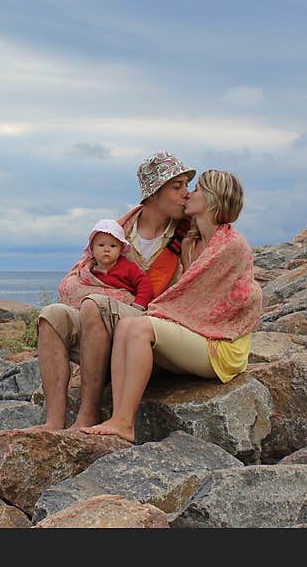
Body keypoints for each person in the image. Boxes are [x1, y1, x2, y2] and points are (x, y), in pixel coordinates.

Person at [82, 169, 263, 442]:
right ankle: (117, 417)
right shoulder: (191, 244)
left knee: (142, 327)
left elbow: (209, 302)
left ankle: (125, 423)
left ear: (214, 200)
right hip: (196, 337)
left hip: (222, 346)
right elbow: (189, 297)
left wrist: (159, 312)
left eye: (198, 189)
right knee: (128, 324)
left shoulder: (231, 245)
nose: (190, 193)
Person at [34, 151, 196, 430]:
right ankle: (53, 422)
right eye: (177, 186)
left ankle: (88, 414)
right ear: (154, 192)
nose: (187, 194)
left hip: (146, 331)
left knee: (95, 304)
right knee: (51, 315)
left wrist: (114, 299)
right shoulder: (117, 231)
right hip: (102, 317)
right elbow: (72, 283)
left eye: (187, 186)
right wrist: (120, 297)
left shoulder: (188, 234)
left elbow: (190, 292)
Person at [85, 219, 153, 310]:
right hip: (97, 310)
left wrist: (139, 304)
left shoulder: (128, 268)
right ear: (92, 249)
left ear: (121, 250)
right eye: (101, 245)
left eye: (113, 246)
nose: (106, 249)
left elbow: (145, 283)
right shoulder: (88, 273)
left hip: (123, 310)